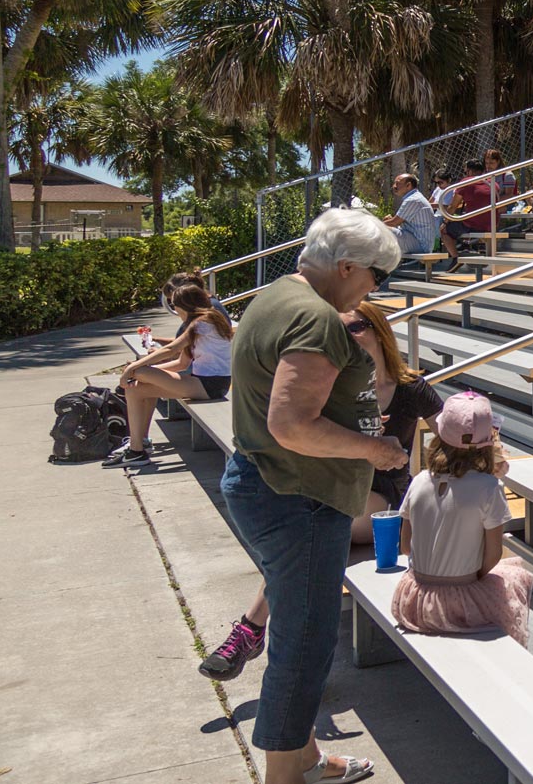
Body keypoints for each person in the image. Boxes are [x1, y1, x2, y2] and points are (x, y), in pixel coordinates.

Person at [219, 207, 406, 784]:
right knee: (303, 641)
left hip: (268, 486)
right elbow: (292, 425)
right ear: (348, 265)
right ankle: (285, 776)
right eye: (378, 275)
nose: (378, 287)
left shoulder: (274, 296)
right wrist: (375, 452)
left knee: (302, 627)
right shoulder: (317, 319)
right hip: (293, 497)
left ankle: (303, 758)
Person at [200, 303, 443, 683]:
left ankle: (250, 629)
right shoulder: (334, 386)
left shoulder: (410, 386)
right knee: (307, 536)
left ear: (380, 331)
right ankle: (255, 632)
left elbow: (450, 431)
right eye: (339, 331)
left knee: (310, 533)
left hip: (380, 494)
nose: (347, 337)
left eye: (357, 328)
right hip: (331, 486)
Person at [389, 391, 533, 645]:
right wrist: (470, 581)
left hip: (415, 599)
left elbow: (404, 546)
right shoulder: (489, 487)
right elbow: (493, 555)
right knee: (517, 573)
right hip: (460, 605)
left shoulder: (419, 481)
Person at [104, 280, 236, 468]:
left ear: (186, 306)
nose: (175, 311)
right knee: (136, 390)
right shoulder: (202, 321)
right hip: (201, 382)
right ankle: (137, 448)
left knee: (140, 372)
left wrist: (133, 368)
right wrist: (143, 371)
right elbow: (182, 363)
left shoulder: (203, 322)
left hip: (210, 385)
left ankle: (137, 450)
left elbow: (171, 349)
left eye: (175, 306)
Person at [442, 158, 496, 260]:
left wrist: (444, 222)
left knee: (445, 229)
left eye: (466, 171)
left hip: (474, 225)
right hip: (492, 223)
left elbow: (453, 206)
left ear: (470, 171)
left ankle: (455, 258)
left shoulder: (466, 182)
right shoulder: (492, 181)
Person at [381, 172, 437, 258]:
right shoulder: (415, 197)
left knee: (379, 230)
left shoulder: (413, 199)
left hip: (420, 245)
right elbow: (398, 222)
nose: (394, 186)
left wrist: (374, 224)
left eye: (398, 183)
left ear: (408, 185)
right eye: (394, 183)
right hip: (417, 241)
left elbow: (394, 222)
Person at [430, 169, 459, 267]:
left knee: (435, 224)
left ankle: (434, 249)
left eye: (440, 182)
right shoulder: (437, 190)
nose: (438, 185)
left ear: (448, 180)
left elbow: (448, 207)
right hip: (436, 215)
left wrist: (435, 205)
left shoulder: (452, 191)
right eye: (436, 182)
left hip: (446, 215)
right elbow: (430, 202)